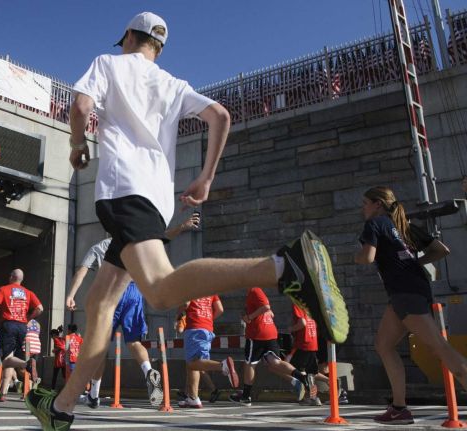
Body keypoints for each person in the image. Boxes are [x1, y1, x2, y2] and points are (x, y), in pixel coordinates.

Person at [26, 12, 347, 429]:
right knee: (99, 302)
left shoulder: (108, 65)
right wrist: (206, 177)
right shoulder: (173, 84)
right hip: (156, 201)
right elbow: (220, 116)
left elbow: (82, 106)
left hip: (123, 190)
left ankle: (284, 266)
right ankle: (62, 408)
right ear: (158, 46)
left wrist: (75, 145)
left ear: (127, 36)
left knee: (159, 291)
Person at [356, 186, 467, 425]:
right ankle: (399, 409)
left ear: (377, 204)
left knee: (440, 348)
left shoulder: (375, 224)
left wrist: (356, 257)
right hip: (409, 291)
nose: (362, 208)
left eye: (365, 203)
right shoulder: (402, 226)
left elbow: (367, 258)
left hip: (405, 293)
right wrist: (415, 263)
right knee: (383, 345)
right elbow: (440, 250)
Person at [68, 214, 200, 408]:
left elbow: (82, 270)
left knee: (100, 345)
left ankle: (94, 394)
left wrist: (71, 295)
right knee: (134, 341)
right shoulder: (135, 242)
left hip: (113, 291)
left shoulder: (100, 247)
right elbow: (161, 237)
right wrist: (181, 226)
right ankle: (148, 372)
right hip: (135, 292)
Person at [228, 288, 310, 406]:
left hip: (257, 334)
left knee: (250, 364)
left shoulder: (254, 290)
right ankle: (301, 378)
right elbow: (270, 312)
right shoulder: (257, 293)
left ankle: (246, 396)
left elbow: (266, 307)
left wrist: (250, 317)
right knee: (275, 362)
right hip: (270, 332)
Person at [0, 269, 43, 402]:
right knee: (12, 359)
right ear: (21, 279)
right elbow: (40, 308)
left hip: (8, 325)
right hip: (22, 327)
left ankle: (28, 365)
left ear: (11, 277)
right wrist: (28, 317)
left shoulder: (3, 289)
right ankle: (2, 393)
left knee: (6, 359)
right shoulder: (28, 292)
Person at [177, 295, 238, 409]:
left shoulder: (192, 285)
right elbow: (220, 309)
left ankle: (223, 366)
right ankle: (193, 398)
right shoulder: (210, 289)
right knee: (195, 363)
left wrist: (178, 312)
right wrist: (207, 320)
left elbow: (185, 303)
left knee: (192, 363)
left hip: (194, 328)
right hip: (207, 328)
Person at [287, 303, 323, 406]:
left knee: (291, 368)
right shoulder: (308, 305)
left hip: (304, 343)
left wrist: (291, 329)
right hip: (312, 341)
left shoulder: (297, 304)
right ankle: (313, 397)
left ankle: (312, 396)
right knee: (309, 372)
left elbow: (302, 322)